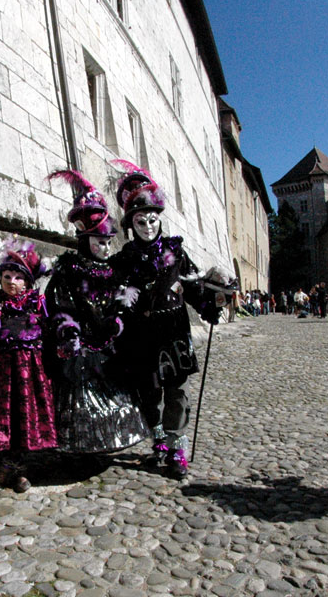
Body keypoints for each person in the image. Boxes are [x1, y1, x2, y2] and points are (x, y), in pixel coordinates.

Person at [109, 160, 227, 479]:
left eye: (152, 219)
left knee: (177, 393)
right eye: (141, 220)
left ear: (159, 219)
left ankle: (176, 447)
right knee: (149, 395)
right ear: (131, 224)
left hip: (174, 334)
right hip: (141, 338)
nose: (148, 225)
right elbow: (115, 301)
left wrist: (208, 308)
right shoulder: (123, 261)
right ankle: (158, 440)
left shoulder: (176, 253)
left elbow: (193, 287)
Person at [43, 170, 149, 453]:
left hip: (110, 348)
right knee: (81, 401)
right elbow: (58, 304)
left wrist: (118, 320)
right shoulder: (68, 271)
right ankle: (84, 447)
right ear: (85, 240)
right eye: (99, 242)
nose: (105, 248)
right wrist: (69, 330)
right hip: (82, 349)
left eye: (108, 242)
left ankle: (110, 442)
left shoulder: (113, 270)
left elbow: (123, 299)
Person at [0, 236, 57, 492]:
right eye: (6, 277)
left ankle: (14, 470)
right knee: (4, 422)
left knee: (24, 421)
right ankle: (10, 468)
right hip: (1, 376)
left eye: (17, 278)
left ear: (27, 281)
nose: (11, 283)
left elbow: (50, 337)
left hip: (30, 376)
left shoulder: (38, 306)